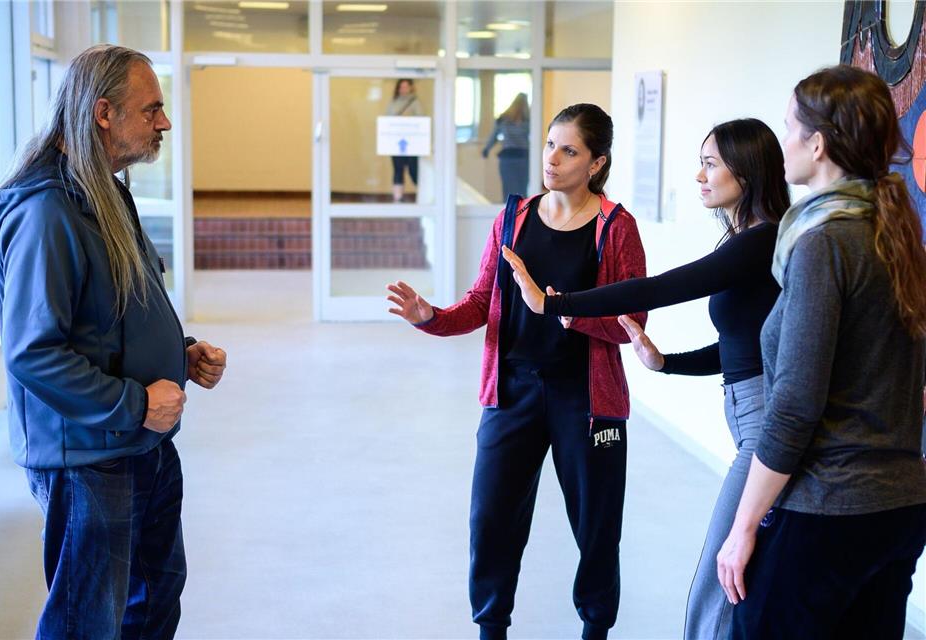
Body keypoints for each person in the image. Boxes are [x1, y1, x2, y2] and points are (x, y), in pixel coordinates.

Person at [502, 118, 790, 640]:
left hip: (764, 427)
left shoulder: (761, 239)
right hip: (753, 413)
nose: (699, 176)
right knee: (741, 573)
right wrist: (667, 362)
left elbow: (663, 288)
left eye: (710, 164)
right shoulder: (750, 239)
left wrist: (555, 303)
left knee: (721, 577)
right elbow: (746, 349)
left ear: (745, 173)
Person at [0, 45, 228, 640]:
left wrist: (181, 353)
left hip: (139, 443)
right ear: (103, 113)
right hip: (91, 458)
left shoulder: (105, 191)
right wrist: (137, 404)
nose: (163, 122)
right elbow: (33, 352)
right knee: (86, 622)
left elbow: (116, 310)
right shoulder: (46, 212)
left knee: (155, 596)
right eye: (152, 110)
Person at [387, 103, 646, 640]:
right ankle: (491, 628)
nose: (552, 158)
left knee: (597, 528)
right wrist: (429, 317)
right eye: (550, 144)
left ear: (597, 163)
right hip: (511, 394)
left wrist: (561, 308)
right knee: (491, 523)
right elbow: (482, 300)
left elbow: (631, 323)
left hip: (586, 400)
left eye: (569, 150)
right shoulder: (514, 217)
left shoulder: (616, 228)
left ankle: (595, 628)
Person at [715, 65, 926, 638]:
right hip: (900, 506)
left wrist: (744, 525)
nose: (782, 144)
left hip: (830, 512)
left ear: (818, 143)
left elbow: (794, 404)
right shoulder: (897, 234)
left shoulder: (825, 243)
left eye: (789, 129)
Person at [482, 92, 530, 199]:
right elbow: (494, 136)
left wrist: (486, 149)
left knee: (513, 189)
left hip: (514, 158)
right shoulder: (506, 120)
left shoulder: (527, 120)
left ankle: (515, 213)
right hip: (518, 158)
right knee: (517, 189)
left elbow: (493, 136)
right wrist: (486, 149)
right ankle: (515, 213)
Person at [386, 78, 423, 203]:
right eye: (401, 87)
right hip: (396, 142)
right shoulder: (393, 103)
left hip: (412, 143)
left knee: (414, 170)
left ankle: (423, 196)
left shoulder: (415, 102)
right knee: (398, 169)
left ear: (411, 88)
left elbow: (421, 121)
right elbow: (387, 121)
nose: (403, 89)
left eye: (406, 87)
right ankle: (398, 198)